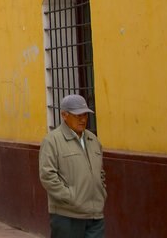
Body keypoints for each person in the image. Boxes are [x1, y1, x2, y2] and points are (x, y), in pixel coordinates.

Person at [39, 94, 106, 238]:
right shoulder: (52, 141)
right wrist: (71, 197)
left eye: (85, 115)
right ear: (64, 115)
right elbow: (47, 176)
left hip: (95, 213)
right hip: (67, 215)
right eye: (78, 115)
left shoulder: (92, 139)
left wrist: (101, 191)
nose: (83, 119)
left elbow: (100, 172)